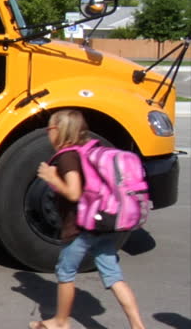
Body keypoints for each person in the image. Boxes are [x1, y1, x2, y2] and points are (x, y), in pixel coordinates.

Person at [30, 109, 146, 329]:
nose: (48, 133)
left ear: (58, 130)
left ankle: (61, 322)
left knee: (65, 272)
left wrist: (52, 178)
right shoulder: (88, 150)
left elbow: (73, 193)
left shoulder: (67, 157)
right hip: (102, 223)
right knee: (113, 275)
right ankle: (138, 325)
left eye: (49, 128)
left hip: (80, 228)